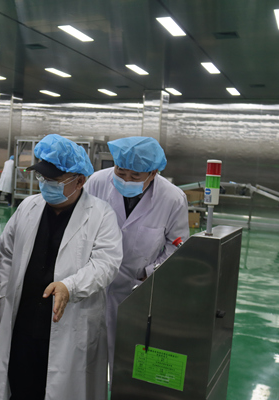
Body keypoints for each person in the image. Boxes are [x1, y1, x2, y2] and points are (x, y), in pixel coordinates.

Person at [0, 134, 123, 400]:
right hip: (24, 323)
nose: (45, 184)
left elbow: (106, 263)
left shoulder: (101, 214)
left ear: (80, 181)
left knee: (61, 388)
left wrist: (70, 286)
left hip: (70, 324)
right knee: (20, 388)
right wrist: (5, 293)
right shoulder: (29, 206)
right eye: (42, 177)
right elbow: (5, 251)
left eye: (54, 180)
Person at [84, 136, 189, 372]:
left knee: (127, 360)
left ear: (153, 173)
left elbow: (177, 244)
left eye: (135, 176)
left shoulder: (172, 198)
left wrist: (149, 273)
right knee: (87, 359)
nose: (125, 180)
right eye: (120, 172)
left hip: (135, 289)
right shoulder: (97, 182)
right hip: (92, 284)